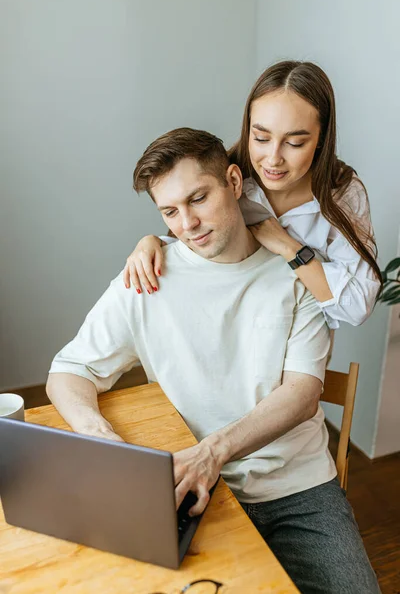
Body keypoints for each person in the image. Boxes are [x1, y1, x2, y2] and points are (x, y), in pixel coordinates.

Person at [47, 128, 380, 594]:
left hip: (296, 489)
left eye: (198, 198)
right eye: (169, 211)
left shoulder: (298, 274)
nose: (187, 224)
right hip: (190, 487)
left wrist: (212, 453)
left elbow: (303, 396)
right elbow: (69, 369)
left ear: (233, 181)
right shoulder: (147, 275)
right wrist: (101, 437)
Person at [123, 61, 381, 331]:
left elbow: (357, 305)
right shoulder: (228, 179)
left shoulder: (342, 194)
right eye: (260, 138)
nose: (273, 159)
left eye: (294, 143)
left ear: (321, 139)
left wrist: (289, 248)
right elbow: (190, 244)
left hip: (299, 346)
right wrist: (151, 243)